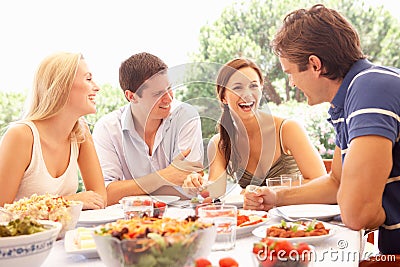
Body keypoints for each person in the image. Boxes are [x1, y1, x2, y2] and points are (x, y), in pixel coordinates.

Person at [244, 4, 400, 255]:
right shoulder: (351, 98)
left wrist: (374, 206)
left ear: (315, 65)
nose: (292, 83)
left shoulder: (371, 89)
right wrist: (276, 196)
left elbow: (357, 214)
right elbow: (336, 183)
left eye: (290, 73)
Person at [183, 58, 326, 198]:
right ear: (223, 97)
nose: (247, 94)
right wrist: (196, 184)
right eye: (237, 87)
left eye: (253, 86)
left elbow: (320, 181)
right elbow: (215, 192)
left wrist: (266, 190)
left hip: (298, 216)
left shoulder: (287, 129)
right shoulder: (220, 144)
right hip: (257, 220)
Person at [92, 52, 204, 205]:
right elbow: (105, 195)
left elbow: (186, 187)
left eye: (169, 88)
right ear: (132, 97)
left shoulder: (186, 117)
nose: (169, 98)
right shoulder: (107, 129)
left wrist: (130, 188)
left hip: (181, 216)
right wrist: (165, 176)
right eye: (158, 93)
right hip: (132, 220)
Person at [0, 52, 107, 209]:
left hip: (65, 233)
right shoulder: (21, 135)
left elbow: (100, 197)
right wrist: (69, 201)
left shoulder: (80, 132)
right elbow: (2, 208)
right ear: (63, 85)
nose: (97, 87)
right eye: (88, 79)